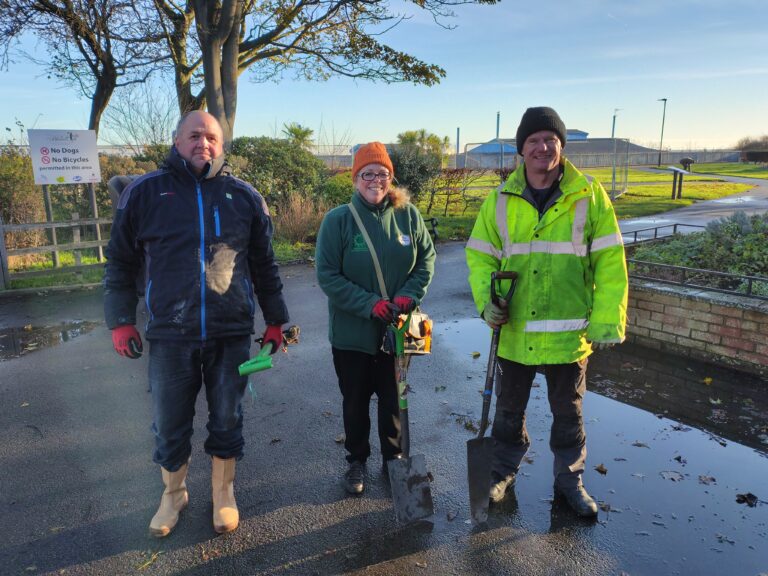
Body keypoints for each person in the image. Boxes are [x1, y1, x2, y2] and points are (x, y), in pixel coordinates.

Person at [104, 110, 289, 536]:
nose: (202, 142)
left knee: (228, 417)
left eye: (211, 137)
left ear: (222, 146)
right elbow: (120, 261)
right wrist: (120, 320)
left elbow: (264, 265)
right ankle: (174, 494)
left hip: (231, 334)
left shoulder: (244, 196)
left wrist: (276, 320)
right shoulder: (144, 193)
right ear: (177, 140)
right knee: (169, 422)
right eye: (193, 135)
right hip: (170, 334)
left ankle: (224, 494)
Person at [465, 107, 628, 518]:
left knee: (568, 416)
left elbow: (611, 261)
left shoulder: (589, 194)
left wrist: (607, 319)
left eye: (550, 140)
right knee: (507, 413)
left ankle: (569, 482)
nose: (542, 147)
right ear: (521, 149)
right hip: (514, 332)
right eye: (534, 140)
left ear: (561, 146)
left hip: (568, 334)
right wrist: (488, 303)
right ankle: (502, 471)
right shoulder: (499, 200)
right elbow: (480, 257)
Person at [315, 142, 436, 495]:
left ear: (390, 177)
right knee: (354, 401)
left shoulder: (408, 216)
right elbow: (327, 275)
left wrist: (408, 296)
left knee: (394, 398)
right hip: (351, 334)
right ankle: (356, 460)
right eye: (367, 173)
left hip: (398, 332)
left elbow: (426, 260)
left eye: (382, 173)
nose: (375, 180)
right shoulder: (338, 221)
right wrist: (370, 304)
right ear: (355, 178)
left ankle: (395, 459)